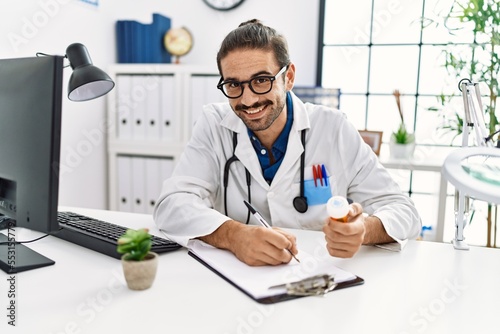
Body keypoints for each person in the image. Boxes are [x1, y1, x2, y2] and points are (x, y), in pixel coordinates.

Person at [153, 19, 421, 266]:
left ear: (288, 77)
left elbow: (405, 211)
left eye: (261, 80)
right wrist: (234, 236)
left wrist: (363, 230)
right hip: (240, 279)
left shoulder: (333, 127)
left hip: (317, 276)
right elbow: (172, 205)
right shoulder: (214, 123)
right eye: (233, 85)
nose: (247, 100)